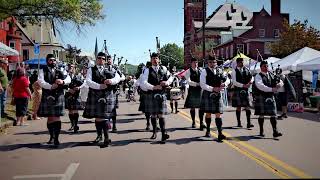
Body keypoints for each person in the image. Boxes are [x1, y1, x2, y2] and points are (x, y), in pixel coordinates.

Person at [83, 52, 120, 147]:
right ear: (96, 59)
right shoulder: (91, 69)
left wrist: (111, 81)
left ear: (105, 60)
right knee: (98, 117)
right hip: (95, 94)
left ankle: (106, 138)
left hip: (107, 95)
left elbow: (118, 77)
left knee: (104, 116)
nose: (101, 60)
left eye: (103, 58)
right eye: (99, 58)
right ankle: (100, 135)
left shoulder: (110, 69)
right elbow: (88, 81)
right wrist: (99, 86)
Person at [37, 54, 71, 147]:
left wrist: (62, 81)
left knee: (56, 117)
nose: (53, 62)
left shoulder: (61, 69)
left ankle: (56, 138)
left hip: (58, 95)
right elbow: (40, 81)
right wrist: (51, 86)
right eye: (50, 60)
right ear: (47, 61)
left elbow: (69, 78)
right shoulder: (42, 70)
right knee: (50, 118)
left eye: (54, 60)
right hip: (48, 95)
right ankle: (52, 136)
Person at [141, 52, 173, 144]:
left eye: (156, 58)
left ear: (159, 59)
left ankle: (163, 134)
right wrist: (153, 87)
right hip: (152, 94)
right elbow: (143, 82)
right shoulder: (147, 70)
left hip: (162, 94)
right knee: (154, 115)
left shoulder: (164, 68)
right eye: (153, 58)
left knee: (161, 115)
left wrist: (167, 83)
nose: (155, 60)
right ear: (151, 60)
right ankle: (154, 131)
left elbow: (171, 77)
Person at [200, 56, 229, 142]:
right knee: (208, 113)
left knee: (218, 114)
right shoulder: (204, 71)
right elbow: (202, 84)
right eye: (210, 62)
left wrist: (225, 84)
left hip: (218, 94)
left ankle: (220, 133)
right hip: (208, 94)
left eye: (214, 62)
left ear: (216, 63)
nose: (212, 64)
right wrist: (213, 88)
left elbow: (227, 79)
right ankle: (208, 130)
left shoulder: (220, 70)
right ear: (208, 63)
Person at [254, 60, 283, 138]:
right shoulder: (258, 76)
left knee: (273, 114)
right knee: (261, 115)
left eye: (267, 66)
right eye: (264, 66)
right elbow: (260, 86)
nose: (266, 67)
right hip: (261, 96)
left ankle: (275, 131)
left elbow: (281, 81)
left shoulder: (271, 74)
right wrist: (272, 89)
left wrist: (278, 85)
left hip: (270, 96)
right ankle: (261, 131)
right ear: (261, 67)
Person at [231, 58, 254, 128]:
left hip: (246, 90)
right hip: (238, 90)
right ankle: (239, 122)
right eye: (241, 62)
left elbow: (252, 76)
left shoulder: (247, 69)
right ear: (237, 63)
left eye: (243, 62)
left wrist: (251, 81)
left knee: (247, 106)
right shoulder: (234, 71)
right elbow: (234, 82)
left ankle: (249, 122)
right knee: (238, 107)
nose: (242, 63)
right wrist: (243, 85)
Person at [184, 57, 205, 130]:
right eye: (194, 63)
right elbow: (189, 81)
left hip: (200, 90)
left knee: (201, 107)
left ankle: (201, 122)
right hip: (192, 90)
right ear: (191, 63)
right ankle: (193, 121)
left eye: (196, 62)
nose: (195, 64)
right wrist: (197, 84)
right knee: (192, 107)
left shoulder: (201, 70)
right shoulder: (188, 72)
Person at [106, 55, 125, 133]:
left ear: (112, 60)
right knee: (104, 110)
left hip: (113, 91)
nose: (108, 60)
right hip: (104, 91)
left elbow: (123, 77)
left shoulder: (116, 68)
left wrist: (116, 80)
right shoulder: (103, 68)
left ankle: (114, 126)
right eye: (107, 59)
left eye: (109, 59)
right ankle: (107, 124)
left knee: (113, 110)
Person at [65, 64, 84, 133]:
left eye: (72, 67)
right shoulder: (65, 76)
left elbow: (83, 83)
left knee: (75, 110)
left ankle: (76, 125)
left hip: (76, 95)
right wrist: (68, 89)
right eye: (70, 67)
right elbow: (62, 85)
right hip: (68, 95)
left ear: (75, 69)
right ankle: (72, 124)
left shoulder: (78, 77)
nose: (71, 68)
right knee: (70, 110)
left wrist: (79, 87)